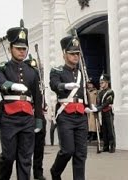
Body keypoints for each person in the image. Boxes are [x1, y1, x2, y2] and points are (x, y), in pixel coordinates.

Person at [0, 20, 44, 180]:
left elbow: (37, 96)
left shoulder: (32, 71)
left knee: (25, 158)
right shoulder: (2, 68)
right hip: (8, 118)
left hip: (27, 119)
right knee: (8, 157)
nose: (22, 52)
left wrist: (39, 120)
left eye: (24, 49)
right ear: (10, 48)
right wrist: (12, 85)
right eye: (18, 48)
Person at [49, 35, 89, 180]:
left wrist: (88, 106)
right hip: (65, 114)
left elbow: (84, 91)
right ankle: (55, 171)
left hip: (81, 114)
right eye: (72, 53)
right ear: (64, 54)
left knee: (81, 154)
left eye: (77, 53)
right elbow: (54, 84)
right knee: (67, 151)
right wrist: (64, 86)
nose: (75, 56)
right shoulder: (57, 71)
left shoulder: (80, 73)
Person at [91, 74, 115, 153]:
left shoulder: (110, 92)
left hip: (108, 112)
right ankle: (105, 146)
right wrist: (95, 108)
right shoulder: (100, 92)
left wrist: (98, 108)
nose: (101, 84)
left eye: (102, 82)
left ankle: (112, 146)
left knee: (110, 129)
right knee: (104, 130)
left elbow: (107, 103)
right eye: (100, 82)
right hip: (102, 114)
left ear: (107, 82)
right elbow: (98, 102)